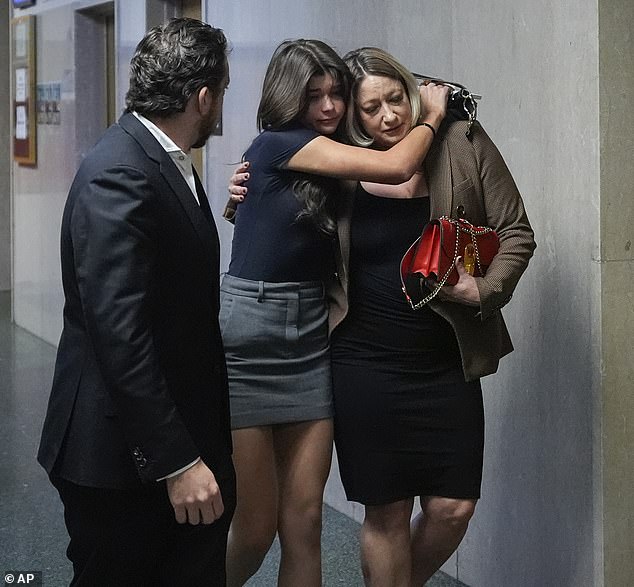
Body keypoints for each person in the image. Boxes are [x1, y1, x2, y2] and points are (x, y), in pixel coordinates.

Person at [229, 46, 535, 587]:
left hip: (446, 359)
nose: (388, 116)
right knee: (386, 511)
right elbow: (278, 210)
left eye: (396, 99)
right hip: (362, 362)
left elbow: (516, 230)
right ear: (356, 116)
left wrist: (485, 288)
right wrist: (240, 192)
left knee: (453, 507)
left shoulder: (461, 143)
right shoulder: (339, 157)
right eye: (371, 108)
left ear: (412, 92)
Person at [220, 39, 448, 587]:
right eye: (313, 96)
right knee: (254, 525)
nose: (328, 108)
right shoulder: (281, 142)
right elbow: (396, 165)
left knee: (305, 519)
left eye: (336, 95)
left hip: (313, 332)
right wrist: (433, 113)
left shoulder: (325, 155)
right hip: (251, 335)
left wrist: (238, 198)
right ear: (287, 97)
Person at [37, 18, 235, 587]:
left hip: (160, 439)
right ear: (203, 97)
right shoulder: (120, 172)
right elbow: (119, 332)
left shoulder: (160, 157)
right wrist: (176, 459)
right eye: (221, 92)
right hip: (122, 460)